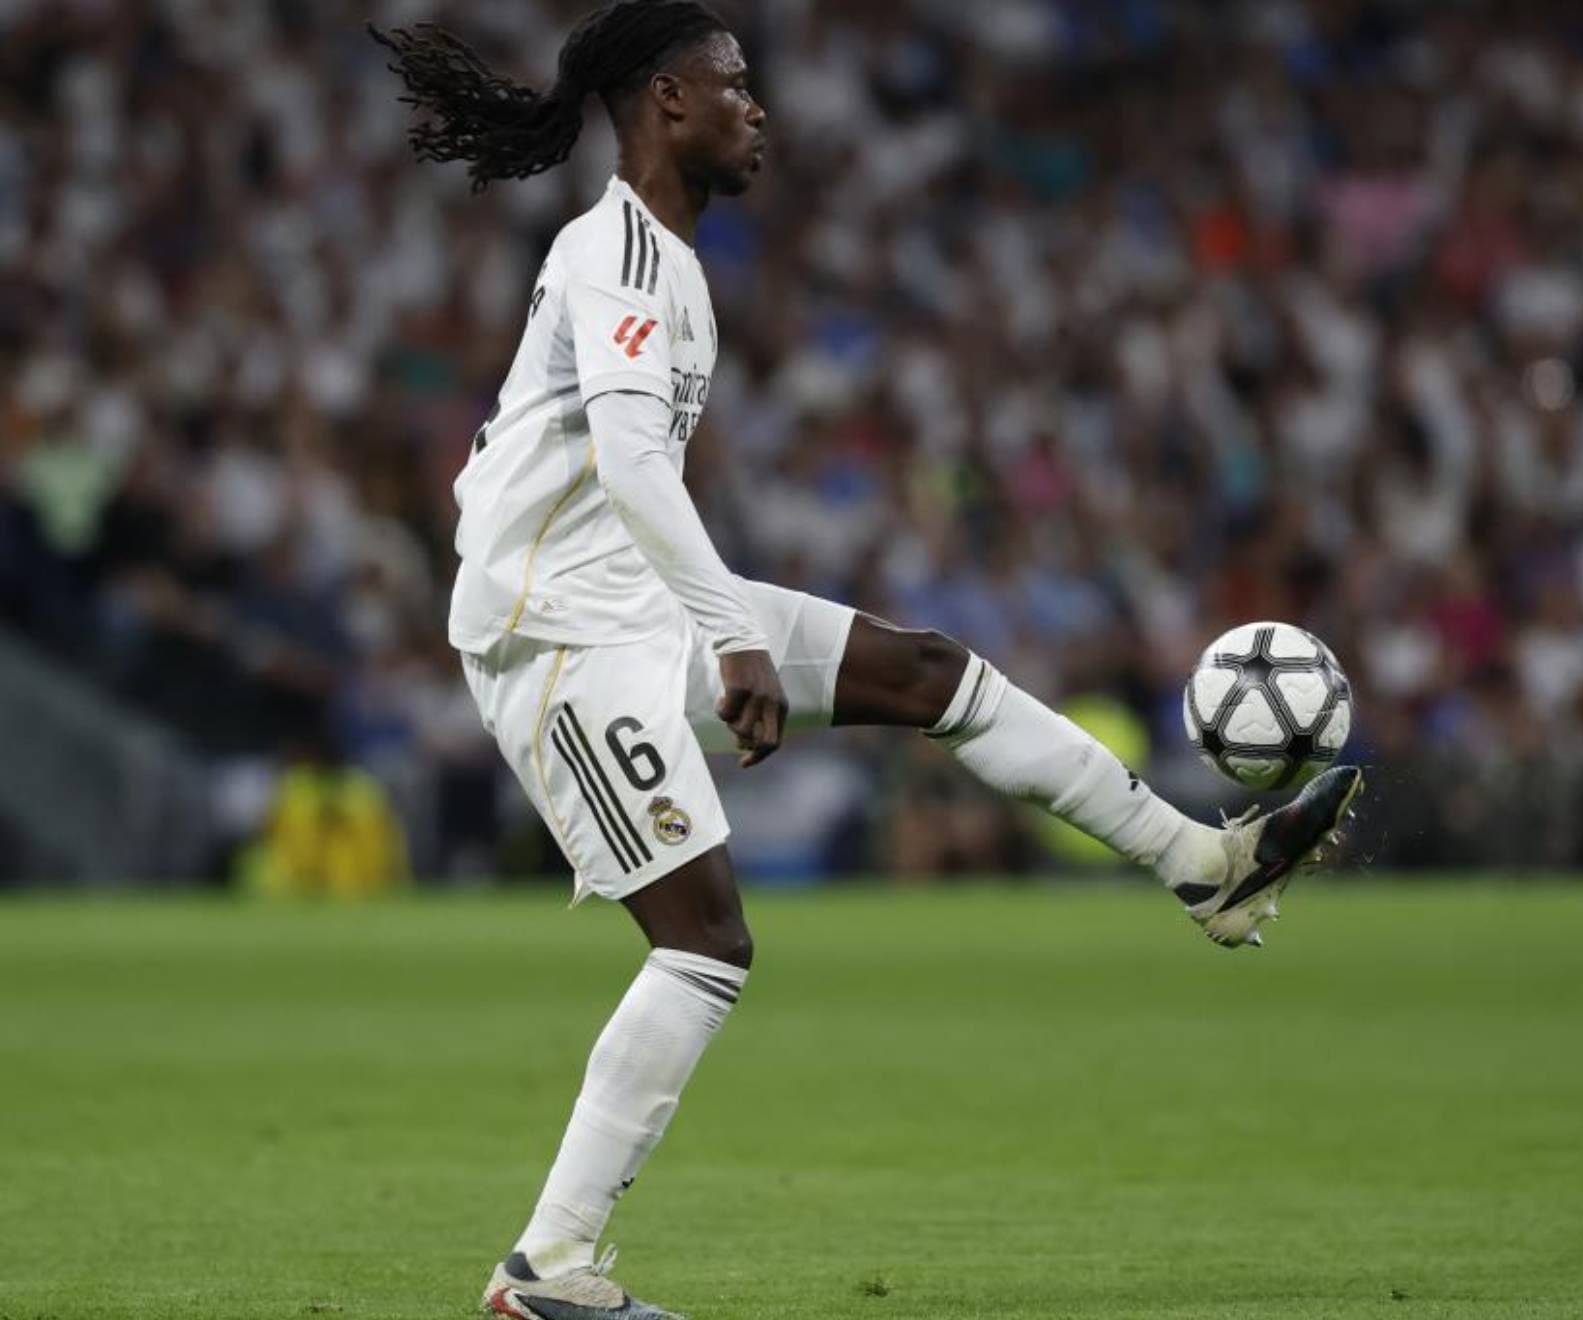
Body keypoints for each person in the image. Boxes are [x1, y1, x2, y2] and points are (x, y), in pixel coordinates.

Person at [372, 5, 1363, 1317]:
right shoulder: (614, 255)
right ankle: (546, 1270)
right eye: (735, 84)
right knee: (705, 944)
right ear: (668, 100)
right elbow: (625, 463)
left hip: (631, 605)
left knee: (928, 672)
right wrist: (732, 634)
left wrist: (715, 618)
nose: (759, 106)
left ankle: (1203, 867)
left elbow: (631, 480)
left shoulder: (669, 263)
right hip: (557, 639)